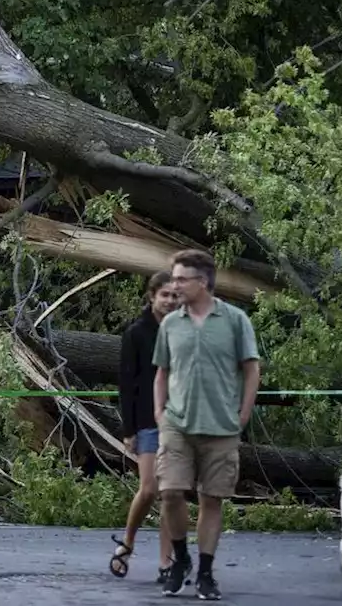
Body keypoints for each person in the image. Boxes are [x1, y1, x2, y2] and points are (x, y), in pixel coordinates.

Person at [154, 249, 261, 600]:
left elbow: (251, 369)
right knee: (170, 492)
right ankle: (180, 559)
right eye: (173, 278)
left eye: (182, 279)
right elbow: (162, 372)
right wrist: (159, 412)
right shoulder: (170, 323)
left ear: (203, 282)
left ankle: (205, 572)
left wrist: (242, 414)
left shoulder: (235, 320)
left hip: (221, 426)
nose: (175, 285)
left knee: (211, 499)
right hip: (177, 423)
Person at [109, 271, 178, 583]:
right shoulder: (137, 333)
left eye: (175, 296)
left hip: (179, 423)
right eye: (164, 295)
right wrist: (128, 431)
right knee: (149, 488)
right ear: (152, 296)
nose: (169, 301)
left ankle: (166, 562)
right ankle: (127, 542)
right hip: (146, 422)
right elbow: (127, 384)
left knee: (170, 493)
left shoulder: (185, 330)